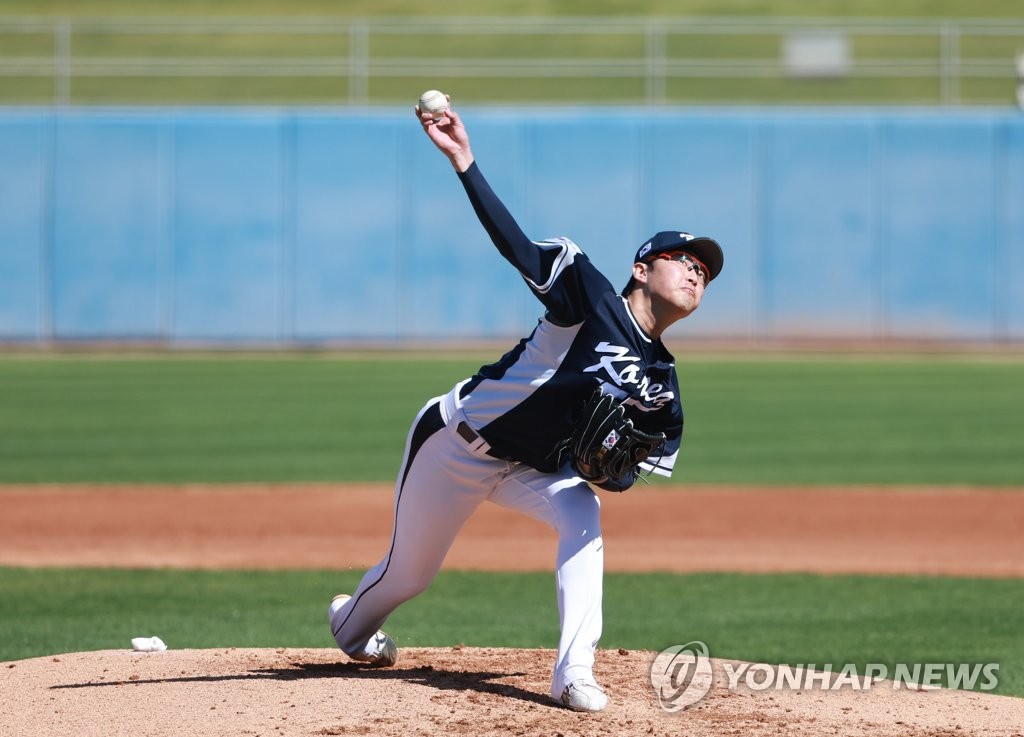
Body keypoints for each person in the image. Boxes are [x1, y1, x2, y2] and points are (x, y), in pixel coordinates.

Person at [329, 99, 724, 713]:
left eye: (706, 272)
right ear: (641, 268)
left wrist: (607, 470)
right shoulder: (586, 292)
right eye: (685, 260)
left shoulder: (662, 383)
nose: (697, 274)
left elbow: (635, 467)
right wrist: (465, 161)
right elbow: (514, 244)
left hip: (533, 469)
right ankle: (349, 622)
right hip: (456, 443)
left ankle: (573, 672)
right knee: (410, 576)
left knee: (583, 515)